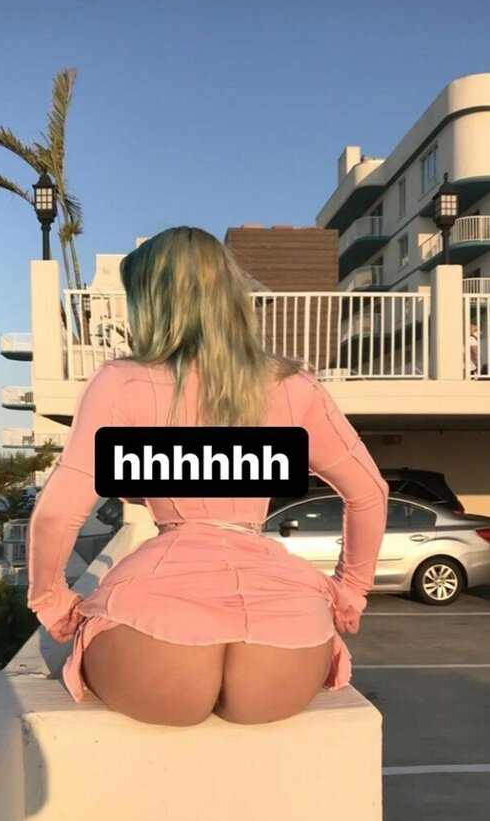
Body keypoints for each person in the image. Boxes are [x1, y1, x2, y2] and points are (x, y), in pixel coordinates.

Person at [26, 227, 389, 726]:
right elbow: (370, 492)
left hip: (159, 630)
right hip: (282, 641)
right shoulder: (293, 385)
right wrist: (350, 590)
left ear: (153, 304)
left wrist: (51, 598)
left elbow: (61, 508)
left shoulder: (123, 381)